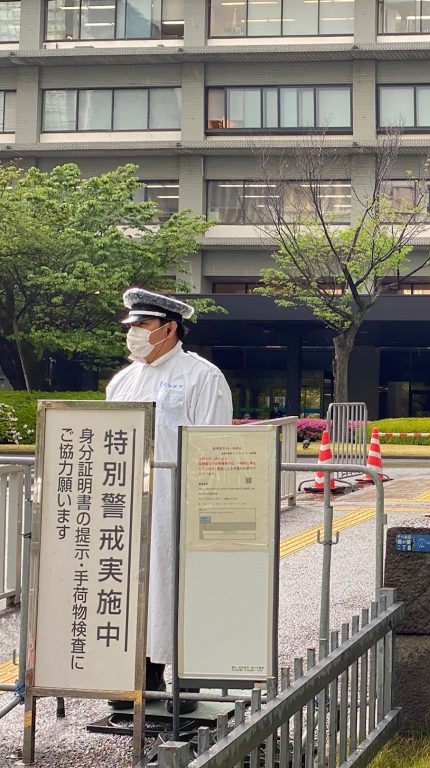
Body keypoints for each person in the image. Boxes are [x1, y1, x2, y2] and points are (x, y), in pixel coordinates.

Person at [106, 288, 233, 713]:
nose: (135, 335)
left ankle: (188, 680)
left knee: (181, 586)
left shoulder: (202, 376)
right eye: (133, 327)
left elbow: (215, 447)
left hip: (180, 503)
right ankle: (141, 675)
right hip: (126, 506)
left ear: (170, 327)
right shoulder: (122, 381)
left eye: (142, 326)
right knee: (132, 585)